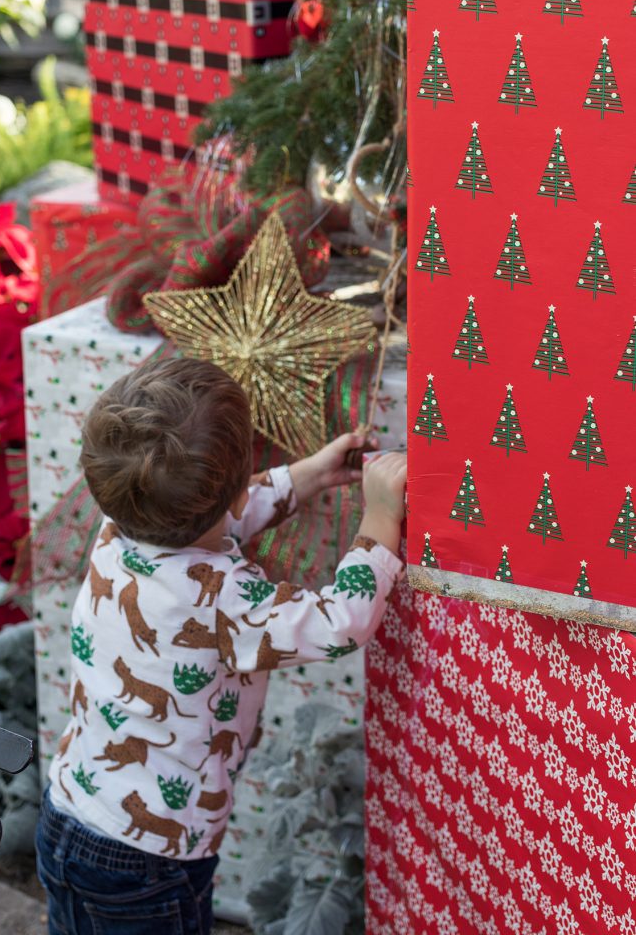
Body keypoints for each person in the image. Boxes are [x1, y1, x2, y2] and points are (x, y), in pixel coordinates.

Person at [35, 356, 406, 935]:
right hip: (147, 865)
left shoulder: (119, 530)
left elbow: (215, 514)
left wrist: (307, 474)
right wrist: (380, 517)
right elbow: (341, 622)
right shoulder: (223, 604)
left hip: (68, 814)